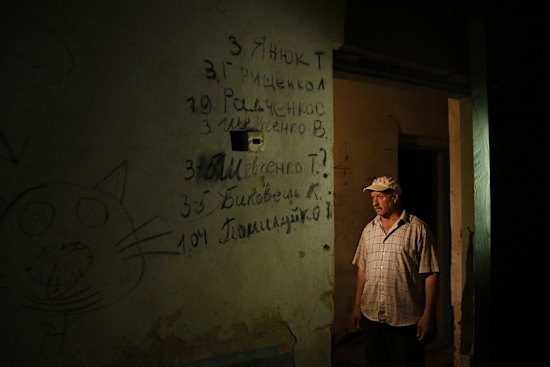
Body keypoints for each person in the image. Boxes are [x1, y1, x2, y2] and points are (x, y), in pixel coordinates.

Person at [351, 176, 440, 367]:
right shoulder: (369, 230)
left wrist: (427, 315)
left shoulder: (417, 229)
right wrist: (357, 305)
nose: (375, 202)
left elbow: (431, 274)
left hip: (405, 321)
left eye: (380, 197)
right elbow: (362, 270)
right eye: (373, 197)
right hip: (372, 316)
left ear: (395, 197)